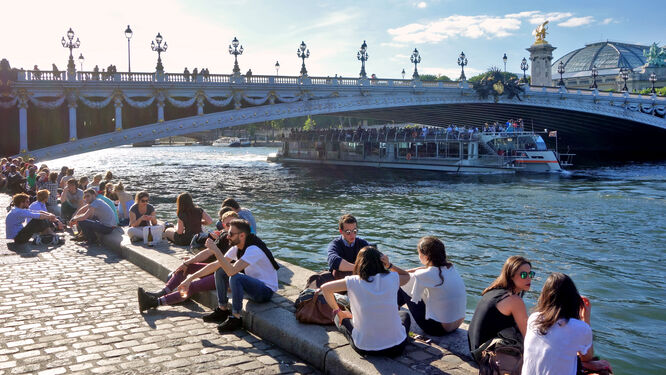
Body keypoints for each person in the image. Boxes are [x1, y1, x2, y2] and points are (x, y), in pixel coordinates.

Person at [137, 211, 239, 312]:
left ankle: (156, 302)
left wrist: (190, 279)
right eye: (227, 224)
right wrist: (187, 262)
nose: (230, 227)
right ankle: (162, 292)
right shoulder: (223, 236)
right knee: (187, 267)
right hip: (217, 269)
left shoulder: (239, 241)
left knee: (192, 286)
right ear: (223, 225)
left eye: (233, 224)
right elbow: (207, 253)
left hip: (225, 275)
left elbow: (220, 265)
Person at [321, 246, 411, 357]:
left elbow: (325, 288)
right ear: (381, 262)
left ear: (359, 263)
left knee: (338, 318)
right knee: (404, 314)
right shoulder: (392, 277)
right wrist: (389, 265)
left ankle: (345, 320)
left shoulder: (353, 281)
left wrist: (338, 311)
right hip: (397, 346)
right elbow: (406, 276)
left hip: (366, 347)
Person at [522, 273, 612, 375]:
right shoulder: (580, 328)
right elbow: (587, 358)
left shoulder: (534, 318)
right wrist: (585, 319)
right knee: (604, 366)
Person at [199, 219, 280, 332]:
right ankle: (222, 309)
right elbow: (216, 265)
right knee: (220, 270)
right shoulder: (238, 247)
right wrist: (189, 280)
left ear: (242, 235)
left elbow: (232, 272)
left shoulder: (254, 249)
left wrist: (216, 251)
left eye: (230, 234)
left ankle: (236, 318)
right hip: (252, 284)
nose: (227, 236)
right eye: (228, 233)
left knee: (235, 277)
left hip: (265, 291)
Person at [468, 256, 532, 360]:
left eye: (531, 274)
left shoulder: (494, 290)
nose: (529, 278)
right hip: (487, 355)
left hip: (476, 349)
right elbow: (528, 337)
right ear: (511, 276)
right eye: (524, 275)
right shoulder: (514, 300)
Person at [398, 236, 466, 336]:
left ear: (426, 257)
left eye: (419, 253)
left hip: (437, 329)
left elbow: (398, 278)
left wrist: (389, 266)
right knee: (412, 283)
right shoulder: (450, 268)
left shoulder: (427, 274)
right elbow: (419, 271)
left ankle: (393, 317)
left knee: (404, 286)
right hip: (456, 324)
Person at [327, 214, 369, 279]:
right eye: (348, 232)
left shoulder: (362, 243)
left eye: (354, 231)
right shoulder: (335, 244)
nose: (352, 235)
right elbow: (333, 261)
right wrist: (358, 268)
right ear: (341, 231)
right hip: (339, 281)